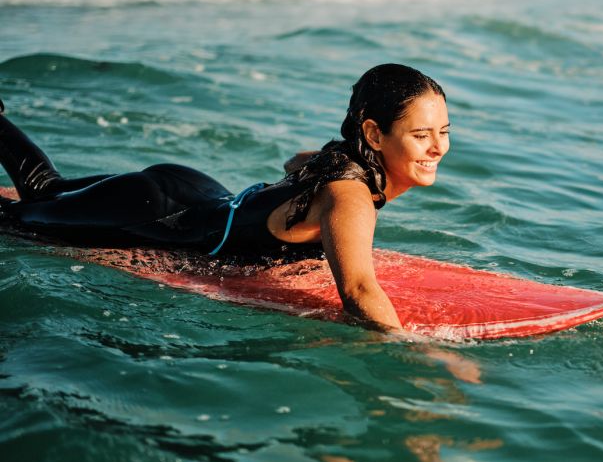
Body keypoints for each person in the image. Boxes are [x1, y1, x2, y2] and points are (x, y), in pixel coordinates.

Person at [0, 63, 451, 331]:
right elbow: (357, 290)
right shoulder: (349, 197)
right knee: (25, 214)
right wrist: (408, 354)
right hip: (158, 213)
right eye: (421, 134)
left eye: (444, 132)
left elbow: (294, 163)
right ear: (373, 133)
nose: (437, 148)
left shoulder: (339, 161)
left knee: (49, 191)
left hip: (190, 190)